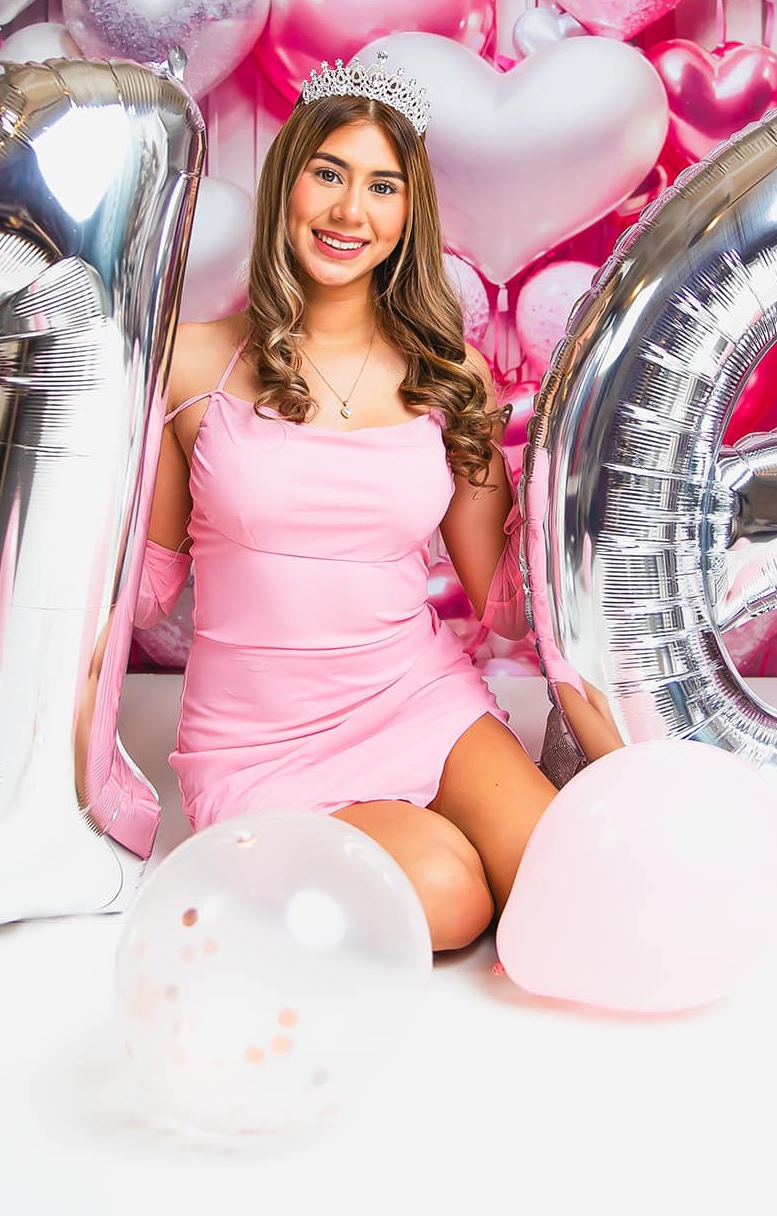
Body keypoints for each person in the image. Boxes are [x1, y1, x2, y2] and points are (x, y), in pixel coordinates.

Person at [134, 54, 558, 951]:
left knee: (561, 873)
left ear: (409, 216)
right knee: (449, 899)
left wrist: (577, 488)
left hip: (415, 696)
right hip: (261, 743)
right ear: (289, 181)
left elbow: (504, 606)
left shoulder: (452, 378)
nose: (348, 212)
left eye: (381, 186)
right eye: (328, 173)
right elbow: (143, 593)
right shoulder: (191, 362)